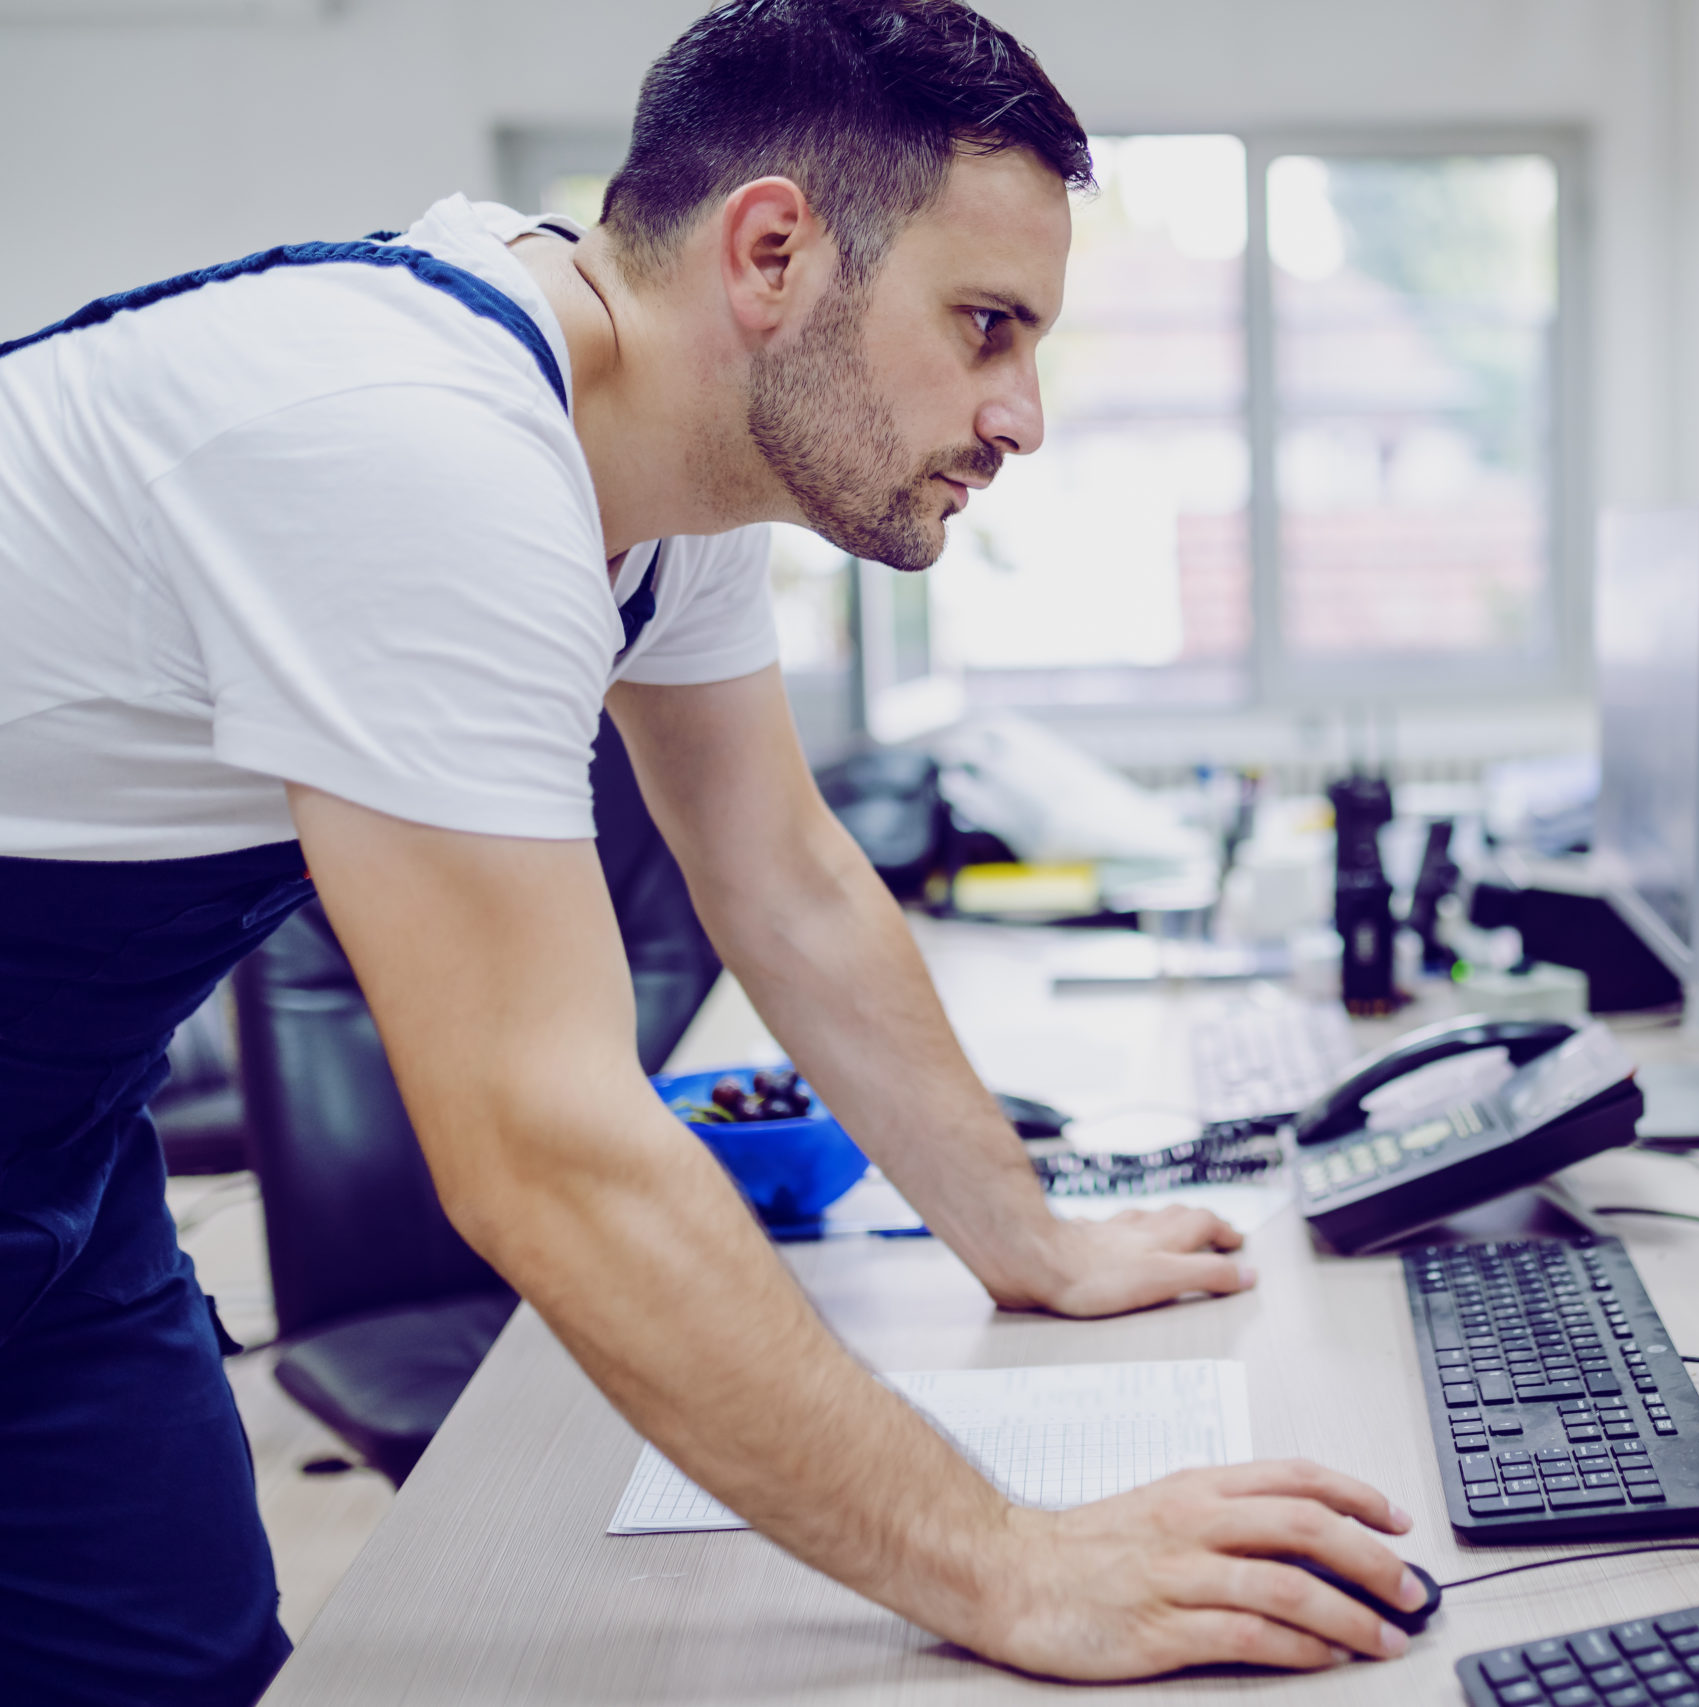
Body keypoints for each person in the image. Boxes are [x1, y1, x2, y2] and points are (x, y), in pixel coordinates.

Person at [0, 4, 1428, 1702]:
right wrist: (1015, 1565)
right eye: (985, 326)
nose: (1021, 413)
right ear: (772, 252)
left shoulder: (650, 473)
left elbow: (783, 873)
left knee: (171, 1671)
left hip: (57, 1162)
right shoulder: (411, 445)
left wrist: (1026, 1241)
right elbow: (543, 1142)